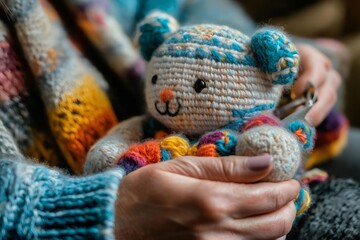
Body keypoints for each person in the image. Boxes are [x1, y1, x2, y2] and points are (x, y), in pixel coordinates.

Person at [0, 0, 358, 239]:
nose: (168, 96)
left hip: (288, 181)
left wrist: (291, 56)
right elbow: (109, 155)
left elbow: (185, 5)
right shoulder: (147, 132)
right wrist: (96, 209)